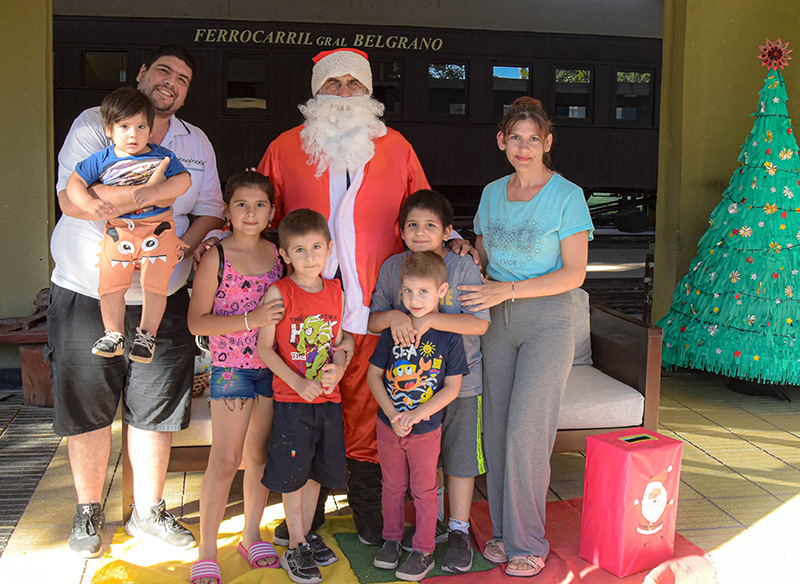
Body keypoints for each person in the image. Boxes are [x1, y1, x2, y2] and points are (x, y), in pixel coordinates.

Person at [48, 44, 225, 557]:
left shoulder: (196, 142)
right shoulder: (94, 124)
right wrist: (156, 197)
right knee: (88, 402)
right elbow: (72, 198)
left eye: (184, 79)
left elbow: (210, 207)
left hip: (161, 291)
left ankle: (147, 512)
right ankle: (88, 511)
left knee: (156, 405)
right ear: (143, 74)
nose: (172, 82)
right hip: (87, 288)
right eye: (164, 71)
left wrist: (183, 246)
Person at [255, 47, 432, 545]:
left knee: (367, 404)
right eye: (334, 84)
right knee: (305, 402)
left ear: (370, 92)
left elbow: (421, 215)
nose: (345, 93)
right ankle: (304, 514)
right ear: (316, 91)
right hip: (307, 307)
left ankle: (368, 507)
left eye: (355, 84)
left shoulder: (397, 147)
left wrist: (454, 241)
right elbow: (258, 214)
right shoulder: (286, 146)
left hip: (375, 305)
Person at [458, 97, 594, 577]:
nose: (523, 146)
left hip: (548, 320)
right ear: (502, 141)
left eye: (533, 138)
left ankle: (528, 543)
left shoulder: (567, 195)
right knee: (494, 430)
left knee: (525, 433)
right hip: (496, 321)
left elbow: (574, 274)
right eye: (515, 137)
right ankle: (501, 532)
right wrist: (463, 252)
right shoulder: (492, 193)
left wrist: (508, 289)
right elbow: (481, 251)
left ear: (548, 143)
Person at [368, 190, 489, 573]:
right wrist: (395, 318)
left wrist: (430, 320)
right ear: (401, 231)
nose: (421, 232)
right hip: (406, 387)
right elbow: (373, 321)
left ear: (448, 231)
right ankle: (429, 524)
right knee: (422, 460)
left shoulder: (462, 266)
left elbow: (479, 322)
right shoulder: (393, 268)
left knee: (458, 455)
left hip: (458, 379)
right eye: (413, 225)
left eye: (431, 226)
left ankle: (457, 529)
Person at [187, 171, 285, 584]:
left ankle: (251, 533)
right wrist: (252, 319)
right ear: (227, 210)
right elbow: (197, 323)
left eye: (260, 205)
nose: (251, 212)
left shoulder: (280, 255)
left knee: (258, 457)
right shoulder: (216, 257)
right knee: (226, 459)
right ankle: (207, 549)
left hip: (272, 369)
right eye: (241, 204)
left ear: (272, 212)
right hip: (231, 371)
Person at [65, 87, 191, 364]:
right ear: (109, 129)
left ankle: (147, 335)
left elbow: (184, 180)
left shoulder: (162, 156)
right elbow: (73, 183)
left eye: (141, 126)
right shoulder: (102, 159)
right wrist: (88, 203)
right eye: (124, 126)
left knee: (155, 285)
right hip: (119, 231)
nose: (133, 134)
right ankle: (113, 334)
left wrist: (155, 193)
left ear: (150, 127)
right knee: (110, 285)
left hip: (158, 230)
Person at [257, 209, 349, 584]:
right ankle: (295, 545)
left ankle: (306, 532)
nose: (310, 257)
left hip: (328, 399)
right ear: (285, 255)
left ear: (329, 248)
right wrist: (297, 383)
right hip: (293, 401)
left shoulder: (335, 292)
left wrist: (339, 368)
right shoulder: (279, 292)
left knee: (315, 474)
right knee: (294, 475)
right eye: (300, 250)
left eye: (316, 248)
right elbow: (265, 349)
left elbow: (341, 342)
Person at [367, 251, 469, 581]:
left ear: (442, 291)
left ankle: (423, 549)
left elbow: (452, 388)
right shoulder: (393, 331)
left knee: (424, 491)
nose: (414, 299)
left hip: (425, 430)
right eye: (408, 291)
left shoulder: (449, 337)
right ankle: (392, 540)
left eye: (423, 291)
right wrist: (393, 412)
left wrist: (417, 415)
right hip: (389, 426)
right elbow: (373, 376)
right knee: (392, 486)